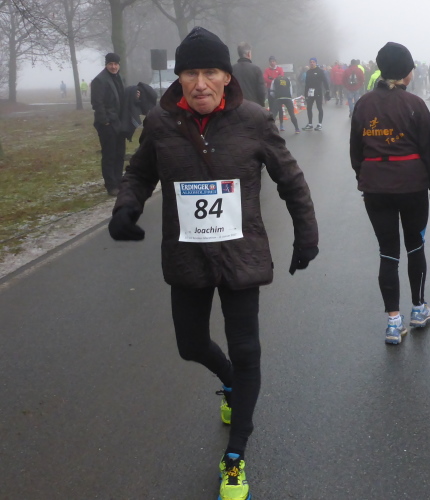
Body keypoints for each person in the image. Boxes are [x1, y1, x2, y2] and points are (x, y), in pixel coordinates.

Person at [107, 27, 318, 500]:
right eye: (190, 73)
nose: (199, 83)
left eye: (209, 72)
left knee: (247, 351)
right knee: (191, 345)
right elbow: (139, 173)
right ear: (178, 77)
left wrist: (307, 234)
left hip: (241, 255)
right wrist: (126, 208)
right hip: (188, 255)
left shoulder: (254, 120)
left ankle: (235, 456)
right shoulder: (161, 123)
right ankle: (230, 384)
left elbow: (290, 179)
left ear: (226, 76)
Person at [350, 41, 430, 345]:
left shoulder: (363, 104)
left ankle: (393, 322)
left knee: (387, 252)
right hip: (411, 185)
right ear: (406, 72)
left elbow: (356, 150)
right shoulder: (415, 104)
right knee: (415, 247)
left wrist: (364, 178)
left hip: (375, 186)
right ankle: (418, 309)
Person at [90, 52, 128, 196]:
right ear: (106, 64)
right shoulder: (99, 80)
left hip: (119, 122)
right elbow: (97, 103)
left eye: (116, 64)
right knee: (109, 155)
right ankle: (111, 186)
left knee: (120, 154)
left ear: (119, 65)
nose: (113, 67)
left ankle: (118, 182)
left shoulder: (120, 78)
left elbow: (123, 97)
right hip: (107, 124)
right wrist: (104, 121)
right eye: (110, 64)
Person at [231, 43, 265, 107]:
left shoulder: (231, 70)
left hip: (236, 106)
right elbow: (261, 91)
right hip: (253, 106)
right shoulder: (256, 70)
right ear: (249, 54)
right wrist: (261, 105)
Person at [302, 57, 329, 131]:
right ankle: (310, 124)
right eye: (310, 62)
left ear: (316, 63)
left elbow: (325, 81)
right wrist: (305, 94)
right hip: (310, 92)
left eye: (313, 62)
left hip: (318, 92)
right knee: (309, 108)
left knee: (319, 107)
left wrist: (327, 91)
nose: (312, 63)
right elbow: (306, 84)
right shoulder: (308, 72)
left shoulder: (320, 71)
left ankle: (319, 124)